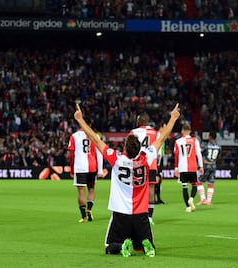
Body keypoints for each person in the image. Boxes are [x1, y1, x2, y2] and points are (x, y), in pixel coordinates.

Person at [74, 102, 180, 257]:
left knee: (109, 247)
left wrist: (80, 120)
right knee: (142, 246)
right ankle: (146, 245)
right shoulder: (147, 156)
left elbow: (96, 140)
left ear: (125, 147)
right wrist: (173, 118)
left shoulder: (116, 158)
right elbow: (163, 137)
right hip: (141, 214)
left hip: (121, 214)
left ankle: (122, 245)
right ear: (139, 148)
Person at [68, 119, 103, 223]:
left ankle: (84, 217)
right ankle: (89, 210)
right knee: (91, 189)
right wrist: (100, 170)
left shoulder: (74, 136)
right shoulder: (95, 135)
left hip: (79, 167)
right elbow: (99, 153)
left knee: (81, 191)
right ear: (90, 124)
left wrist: (71, 169)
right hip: (92, 167)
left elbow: (71, 154)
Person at [130, 112, 159, 225]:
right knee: (151, 189)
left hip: (137, 164)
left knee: (137, 189)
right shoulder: (155, 133)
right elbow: (159, 151)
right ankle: (150, 216)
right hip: (151, 163)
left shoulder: (134, 132)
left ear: (139, 121)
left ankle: (137, 213)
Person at [174, 123, 204, 212]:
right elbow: (199, 154)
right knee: (194, 185)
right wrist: (201, 166)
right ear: (190, 131)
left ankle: (188, 207)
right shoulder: (195, 140)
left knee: (184, 187)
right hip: (192, 166)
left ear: (182, 131)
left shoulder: (178, 141)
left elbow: (176, 155)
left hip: (182, 167)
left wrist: (176, 168)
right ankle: (191, 198)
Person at [197, 131, 221, 205]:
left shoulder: (206, 145)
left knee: (199, 182)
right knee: (211, 183)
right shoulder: (218, 146)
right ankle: (209, 201)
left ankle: (203, 199)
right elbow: (219, 157)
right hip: (213, 165)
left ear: (210, 137)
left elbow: (199, 154)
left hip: (206, 165)